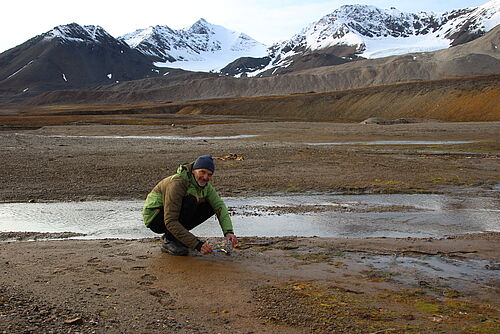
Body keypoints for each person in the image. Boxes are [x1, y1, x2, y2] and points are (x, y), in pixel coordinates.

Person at [142, 154, 237, 256]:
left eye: (209, 174)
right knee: (190, 201)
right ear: (193, 170)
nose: (205, 177)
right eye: (202, 172)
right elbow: (170, 221)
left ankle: (177, 238)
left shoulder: (206, 186)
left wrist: (228, 232)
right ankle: (169, 240)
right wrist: (197, 244)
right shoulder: (177, 183)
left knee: (211, 206)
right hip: (155, 218)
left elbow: (219, 206)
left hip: (170, 218)